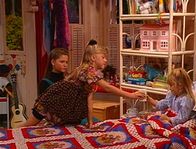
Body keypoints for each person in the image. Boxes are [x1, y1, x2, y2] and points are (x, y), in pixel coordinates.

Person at [16, 41, 145, 128]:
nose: (105, 60)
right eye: (103, 57)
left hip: (67, 107)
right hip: (53, 101)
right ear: (94, 58)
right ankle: (9, 133)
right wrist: (131, 95)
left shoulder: (85, 71)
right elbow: (107, 87)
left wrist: (89, 121)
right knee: (29, 124)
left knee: (30, 124)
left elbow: (89, 97)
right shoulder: (88, 71)